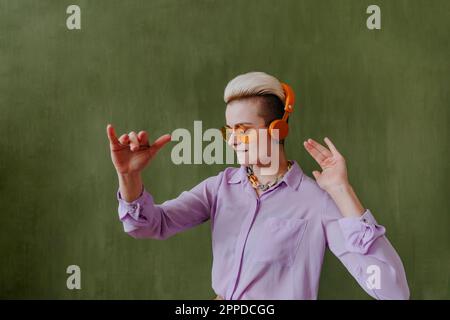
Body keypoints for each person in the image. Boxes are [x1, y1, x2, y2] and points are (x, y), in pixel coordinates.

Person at [106, 71, 409, 300]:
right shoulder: (220, 187)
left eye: (244, 129)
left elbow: (391, 291)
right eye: (229, 130)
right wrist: (129, 177)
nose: (234, 139)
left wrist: (343, 191)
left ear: (277, 129)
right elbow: (147, 225)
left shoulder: (317, 202)